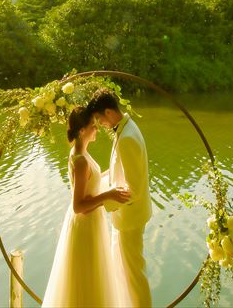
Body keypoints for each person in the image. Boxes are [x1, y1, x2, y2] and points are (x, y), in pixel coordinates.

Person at [42, 106, 131, 308]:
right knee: (88, 278)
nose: (96, 129)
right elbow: (78, 205)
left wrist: (115, 172)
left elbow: (93, 180)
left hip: (90, 223)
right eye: (92, 126)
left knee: (89, 277)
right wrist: (109, 194)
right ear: (82, 130)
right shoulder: (80, 161)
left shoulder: (79, 152)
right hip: (85, 225)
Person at [87, 88, 152, 308]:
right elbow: (120, 171)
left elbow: (134, 188)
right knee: (123, 270)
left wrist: (103, 200)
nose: (100, 124)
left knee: (134, 274)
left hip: (130, 219)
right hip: (126, 217)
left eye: (99, 118)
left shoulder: (127, 138)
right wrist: (98, 180)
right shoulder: (126, 128)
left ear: (108, 112)